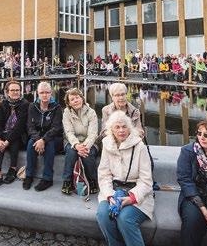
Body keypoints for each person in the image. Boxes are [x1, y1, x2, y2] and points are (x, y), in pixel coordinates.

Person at [96, 111, 154, 246]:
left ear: (129, 128)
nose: (121, 130)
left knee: (125, 218)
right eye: (117, 127)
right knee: (103, 216)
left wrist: (132, 198)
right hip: (113, 191)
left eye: (124, 126)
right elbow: (104, 175)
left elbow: (146, 180)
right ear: (111, 129)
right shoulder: (107, 145)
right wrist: (110, 196)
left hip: (137, 191)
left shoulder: (140, 147)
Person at [0, 80, 29, 193]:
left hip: (19, 135)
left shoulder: (25, 104)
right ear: (7, 92)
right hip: (4, 133)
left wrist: (7, 141)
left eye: (17, 90)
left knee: (13, 140)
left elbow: (20, 126)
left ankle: (13, 168)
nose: (15, 92)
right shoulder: (2, 104)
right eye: (12, 90)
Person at [23, 81, 63, 192]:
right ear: (38, 93)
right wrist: (38, 139)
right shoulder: (32, 106)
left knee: (49, 144)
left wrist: (43, 140)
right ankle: (29, 175)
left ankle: (47, 178)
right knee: (31, 143)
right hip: (37, 136)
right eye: (42, 92)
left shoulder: (57, 107)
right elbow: (30, 127)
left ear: (51, 93)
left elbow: (56, 128)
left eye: (47, 92)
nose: (45, 95)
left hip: (54, 138)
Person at [61, 88, 99, 195]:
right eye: (72, 99)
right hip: (72, 142)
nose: (76, 100)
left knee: (88, 153)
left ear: (82, 98)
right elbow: (68, 132)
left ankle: (92, 181)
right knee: (71, 152)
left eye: (77, 97)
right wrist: (77, 145)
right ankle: (67, 181)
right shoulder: (66, 113)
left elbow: (93, 133)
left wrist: (84, 146)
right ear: (69, 103)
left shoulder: (91, 112)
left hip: (90, 142)